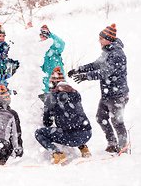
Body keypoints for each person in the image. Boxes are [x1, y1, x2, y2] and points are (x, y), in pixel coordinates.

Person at [68, 23, 129, 154]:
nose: (99, 41)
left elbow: (105, 72)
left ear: (108, 39)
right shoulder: (108, 51)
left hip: (117, 95)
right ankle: (112, 143)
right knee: (101, 118)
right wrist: (79, 70)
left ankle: (123, 149)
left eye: (101, 38)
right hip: (108, 94)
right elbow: (96, 65)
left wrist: (85, 77)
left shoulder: (117, 54)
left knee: (117, 122)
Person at [35, 67, 92, 166]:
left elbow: (47, 123)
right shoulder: (76, 93)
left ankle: (58, 155)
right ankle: (84, 150)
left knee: (39, 133)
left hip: (71, 137)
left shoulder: (51, 97)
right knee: (75, 122)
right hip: (87, 133)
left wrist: (50, 111)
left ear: (53, 84)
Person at [39, 25, 66, 101]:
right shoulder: (37, 52)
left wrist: (51, 35)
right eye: (42, 36)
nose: (44, 38)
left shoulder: (54, 49)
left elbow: (62, 44)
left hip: (57, 86)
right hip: (42, 88)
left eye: (46, 36)